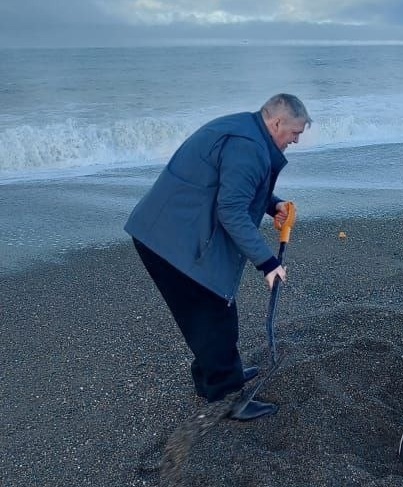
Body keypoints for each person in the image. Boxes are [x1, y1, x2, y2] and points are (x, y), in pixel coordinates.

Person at [125, 94, 311, 420]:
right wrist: (268, 263)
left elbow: (234, 185)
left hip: (168, 230)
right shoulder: (249, 147)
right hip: (173, 241)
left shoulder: (246, 129)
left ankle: (213, 378)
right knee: (215, 314)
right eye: (294, 132)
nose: (296, 139)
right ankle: (227, 397)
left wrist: (273, 205)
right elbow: (231, 211)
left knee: (209, 313)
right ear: (277, 122)